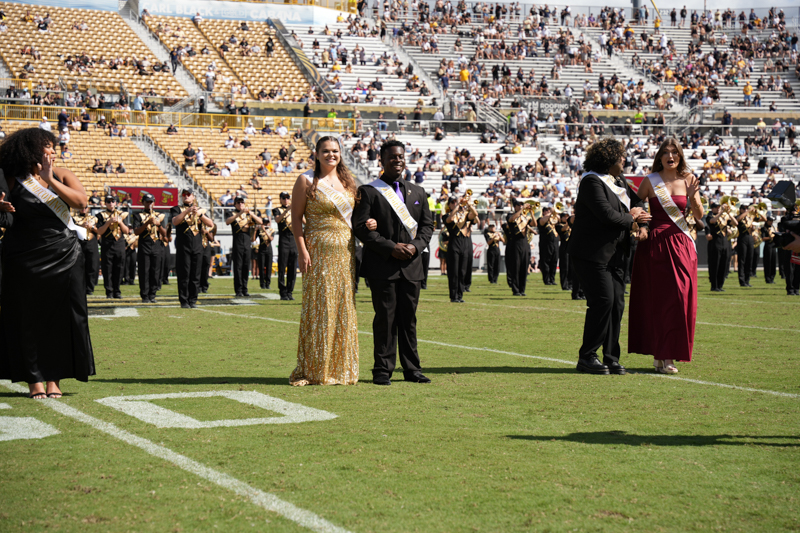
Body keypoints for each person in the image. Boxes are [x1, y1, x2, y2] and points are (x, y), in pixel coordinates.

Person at [0, 127, 95, 399]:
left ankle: (55, 377)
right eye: (47, 147)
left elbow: (80, 202)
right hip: (24, 256)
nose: (52, 151)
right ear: (30, 149)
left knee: (63, 318)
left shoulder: (63, 174)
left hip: (65, 254)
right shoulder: (12, 177)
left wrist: (50, 179)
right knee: (26, 318)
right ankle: (34, 379)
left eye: (53, 147)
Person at [353, 140, 434, 385]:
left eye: (400, 157)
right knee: (385, 319)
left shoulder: (418, 192)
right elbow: (361, 228)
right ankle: (382, 369)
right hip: (382, 266)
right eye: (392, 157)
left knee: (408, 320)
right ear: (382, 160)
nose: (397, 160)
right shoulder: (368, 191)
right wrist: (391, 248)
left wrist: (415, 246)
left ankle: (412, 369)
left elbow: (427, 226)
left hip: (412, 266)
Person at [567, 137, 651, 375]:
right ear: (608, 159)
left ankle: (611, 357)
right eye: (620, 156)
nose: (624, 159)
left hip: (616, 254)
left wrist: (642, 225)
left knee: (616, 305)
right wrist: (633, 219)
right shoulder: (592, 182)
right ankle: (587, 356)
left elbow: (638, 203)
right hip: (591, 254)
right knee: (603, 301)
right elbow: (606, 215)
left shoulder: (619, 179)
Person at [289, 136, 360, 386]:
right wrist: (302, 250)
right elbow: (296, 219)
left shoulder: (348, 182)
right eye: (326, 151)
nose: (331, 155)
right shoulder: (306, 180)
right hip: (317, 252)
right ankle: (315, 368)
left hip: (346, 253)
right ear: (316, 154)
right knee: (320, 307)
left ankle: (341, 369)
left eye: (335, 151)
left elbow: (356, 218)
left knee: (343, 307)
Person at [628, 138, 702, 375]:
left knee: (681, 299)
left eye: (675, 153)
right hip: (655, 245)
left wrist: (692, 196)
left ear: (680, 156)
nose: (671, 156)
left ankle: (666, 352)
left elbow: (699, 214)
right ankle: (663, 354)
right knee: (658, 300)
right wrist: (639, 222)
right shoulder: (650, 181)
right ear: (659, 156)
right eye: (666, 153)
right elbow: (635, 205)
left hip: (682, 244)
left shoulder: (689, 179)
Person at [170, 189, 213, 308]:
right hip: (183, 246)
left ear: (193, 197)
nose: (186, 197)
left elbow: (210, 224)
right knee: (184, 274)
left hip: (197, 246)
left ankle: (193, 300)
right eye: (184, 195)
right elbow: (175, 221)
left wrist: (200, 215)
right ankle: (184, 300)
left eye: (189, 195)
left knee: (195, 275)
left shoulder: (200, 210)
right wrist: (187, 211)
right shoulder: (176, 209)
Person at [132, 194, 167, 303]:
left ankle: (153, 294)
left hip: (156, 245)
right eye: (147, 202)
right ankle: (144, 295)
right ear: (143, 203)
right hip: (144, 246)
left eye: (151, 202)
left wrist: (159, 225)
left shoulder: (160, 215)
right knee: (144, 271)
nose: (149, 204)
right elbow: (136, 231)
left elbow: (166, 234)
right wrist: (147, 223)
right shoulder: (138, 215)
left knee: (155, 271)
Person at [95, 195, 130, 298]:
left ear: (116, 203)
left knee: (119, 268)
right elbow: (99, 231)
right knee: (107, 269)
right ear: (105, 203)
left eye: (112, 201)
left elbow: (127, 231)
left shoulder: (122, 214)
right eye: (108, 202)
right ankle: (109, 292)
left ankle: (117, 290)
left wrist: (120, 222)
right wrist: (108, 223)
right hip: (107, 243)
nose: (111, 204)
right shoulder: (100, 215)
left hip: (119, 243)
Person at [226, 197, 262, 297]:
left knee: (246, 266)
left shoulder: (248, 215)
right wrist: (239, 214)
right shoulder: (232, 213)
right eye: (238, 202)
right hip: (237, 242)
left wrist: (251, 213)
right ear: (235, 204)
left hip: (247, 242)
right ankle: (238, 290)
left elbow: (260, 222)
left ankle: (245, 289)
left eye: (242, 202)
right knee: (238, 267)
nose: (241, 204)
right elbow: (227, 221)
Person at [444, 196, 477, 302]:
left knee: (462, 271)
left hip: (464, 244)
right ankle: (453, 296)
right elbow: (450, 219)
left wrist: (469, 205)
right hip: (454, 244)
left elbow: (475, 215)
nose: (455, 203)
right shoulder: (446, 215)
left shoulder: (465, 215)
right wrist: (458, 205)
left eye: (455, 202)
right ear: (449, 205)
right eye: (452, 202)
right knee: (454, 271)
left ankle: (460, 295)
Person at [506, 199, 535, 296]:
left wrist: (531, 212)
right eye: (519, 205)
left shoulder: (525, 217)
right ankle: (515, 290)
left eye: (522, 205)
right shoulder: (510, 215)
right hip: (515, 243)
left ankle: (522, 289)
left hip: (525, 243)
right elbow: (511, 220)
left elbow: (534, 224)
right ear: (515, 207)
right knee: (516, 266)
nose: (521, 206)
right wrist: (521, 210)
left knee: (524, 266)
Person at [272, 192, 297, 300]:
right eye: (284, 198)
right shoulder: (277, 209)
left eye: (288, 198)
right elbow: (277, 220)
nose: (286, 200)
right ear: (280, 199)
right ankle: (283, 292)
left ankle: (290, 291)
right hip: (283, 239)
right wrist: (287, 210)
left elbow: (303, 221)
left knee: (292, 268)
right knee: (282, 267)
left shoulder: (295, 209)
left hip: (293, 239)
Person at [705, 200, 733, 291]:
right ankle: (714, 286)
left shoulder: (724, 217)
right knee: (715, 264)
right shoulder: (709, 216)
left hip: (724, 242)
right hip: (715, 243)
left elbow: (735, 223)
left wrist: (729, 214)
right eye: (717, 207)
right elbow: (712, 221)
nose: (718, 209)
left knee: (723, 265)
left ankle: (720, 285)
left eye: (719, 207)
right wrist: (721, 212)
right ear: (712, 209)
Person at [735, 203, 765, 287]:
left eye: (746, 208)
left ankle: (747, 280)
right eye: (743, 208)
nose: (745, 210)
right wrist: (748, 211)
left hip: (750, 238)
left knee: (749, 259)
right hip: (742, 238)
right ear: (740, 210)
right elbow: (738, 219)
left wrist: (757, 212)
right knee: (742, 260)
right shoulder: (738, 216)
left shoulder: (750, 217)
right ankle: (742, 280)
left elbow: (764, 219)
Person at [72, 205, 99, 295]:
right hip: (79, 243)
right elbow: (71, 230)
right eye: (81, 207)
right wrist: (81, 226)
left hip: (91, 243)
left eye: (85, 207)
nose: (83, 209)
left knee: (92, 265)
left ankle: (89, 288)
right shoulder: (74, 218)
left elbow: (100, 231)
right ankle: (80, 286)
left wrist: (92, 227)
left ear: (88, 208)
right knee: (80, 265)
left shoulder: (94, 218)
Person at [537, 206, 559, 285]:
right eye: (546, 210)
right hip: (545, 244)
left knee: (554, 261)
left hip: (555, 244)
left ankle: (552, 279)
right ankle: (546, 280)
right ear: (543, 212)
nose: (548, 211)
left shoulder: (553, 221)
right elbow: (542, 221)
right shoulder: (541, 219)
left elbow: (559, 218)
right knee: (546, 262)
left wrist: (554, 213)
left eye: (549, 210)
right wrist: (550, 214)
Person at [555, 211, 572, 290]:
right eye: (565, 216)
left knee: (571, 267)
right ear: (561, 218)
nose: (566, 218)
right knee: (564, 267)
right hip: (564, 248)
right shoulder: (559, 226)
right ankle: (564, 285)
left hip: (570, 248)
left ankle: (571, 283)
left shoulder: (570, 226)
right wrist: (569, 222)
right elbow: (563, 229)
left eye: (567, 216)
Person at [255, 221, 273, 289]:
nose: (266, 224)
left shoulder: (271, 230)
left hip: (269, 250)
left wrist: (265, 230)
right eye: (264, 223)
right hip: (261, 250)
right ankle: (262, 283)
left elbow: (270, 239)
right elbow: (253, 239)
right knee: (261, 267)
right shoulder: (260, 231)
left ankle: (268, 283)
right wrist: (255, 230)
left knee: (269, 267)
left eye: (267, 223)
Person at [199, 223, 217, 293]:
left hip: (206, 246)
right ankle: (198, 286)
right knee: (198, 266)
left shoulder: (208, 225)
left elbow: (211, 238)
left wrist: (206, 232)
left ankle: (204, 286)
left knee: (206, 265)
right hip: (198, 245)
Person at [761, 216, 777, 284]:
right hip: (768, 246)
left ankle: (772, 277)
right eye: (770, 221)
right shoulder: (764, 228)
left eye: (772, 221)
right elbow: (763, 238)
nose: (771, 222)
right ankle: (768, 278)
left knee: (773, 262)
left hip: (773, 246)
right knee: (768, 263)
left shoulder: (773, 227)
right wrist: (770, 237)